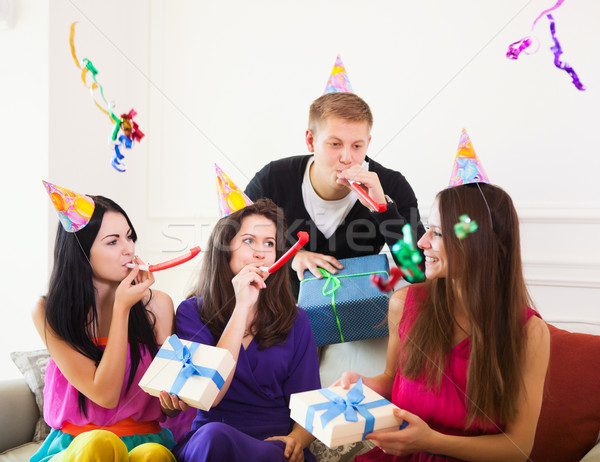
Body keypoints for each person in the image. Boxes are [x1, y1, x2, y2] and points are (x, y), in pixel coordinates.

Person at [335, 183, 550, 461]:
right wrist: (361, 384)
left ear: (478, 241)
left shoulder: (530, 333)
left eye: (437, 233)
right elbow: (392, 379)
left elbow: (518, 448)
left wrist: (432, 442)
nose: (422, 242)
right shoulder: (404, 303)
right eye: (428, 229)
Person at [32, 193, 184, 462]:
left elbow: (168, 405)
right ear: (80, 250)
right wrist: (122, 309)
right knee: (98, 443)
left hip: (145, 440)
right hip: (78, 447)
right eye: (113, 241)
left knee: (154, 455)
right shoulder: (48, 311)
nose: (128, 249)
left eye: (129, 237)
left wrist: (176, 400)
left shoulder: (159, 305)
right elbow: (105, 394)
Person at [171, 198, 320, 462]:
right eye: (249, 241)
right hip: (212, 439)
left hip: (273, 445)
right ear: (224, 247)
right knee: (214, 437)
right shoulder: (192, 312)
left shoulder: (296, 320)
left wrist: (297, 439)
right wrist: (241, 307)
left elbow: (308, 404)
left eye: (269, 244)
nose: (260, 252)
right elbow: (211, 395)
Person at [245, 92, 425, 295]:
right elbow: (233, 252)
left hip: (358, 311)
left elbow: (418, 272)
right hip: (281, 312)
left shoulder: (392, 186)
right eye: (335, 144)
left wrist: (383, 209)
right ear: (311, 141)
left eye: (357, 146)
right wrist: (292, 257)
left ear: (368, 142)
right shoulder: (272, 180)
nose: (347, 158)